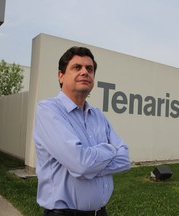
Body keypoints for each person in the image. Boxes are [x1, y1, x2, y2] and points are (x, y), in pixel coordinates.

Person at [33, 46, 131, 216]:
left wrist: (90, 167)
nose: (85, 72)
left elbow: (125, 159)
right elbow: (81, 164)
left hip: (101, 212)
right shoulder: (48, 111)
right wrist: (111, 149)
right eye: (77, 67)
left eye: (90, 69)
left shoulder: (98, 116)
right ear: (61, 75)